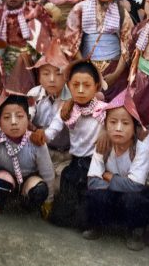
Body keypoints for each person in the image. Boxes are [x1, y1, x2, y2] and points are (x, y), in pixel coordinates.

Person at [82, 87, 149, 248]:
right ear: (106, 125)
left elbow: (135, 185)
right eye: (112, 122)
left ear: (134, 128)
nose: (118, 128)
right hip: (113, 195)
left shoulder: (140, 149)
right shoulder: (103, 145)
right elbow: (92, 181)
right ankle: (98, 225)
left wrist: (108, 175)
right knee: (96, 195)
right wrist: (119, 183)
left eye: (125, 123)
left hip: (133, 197)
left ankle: (135, 231)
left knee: (134, 198)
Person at [39, 61, 105, 230]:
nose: (81, 90)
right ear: (69, 85)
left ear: (96, 86)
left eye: (87, 85)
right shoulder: (67, 109)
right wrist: (42, 135)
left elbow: (115, 125)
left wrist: (107, 132)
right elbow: (52, 130)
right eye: (76, 85)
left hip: (96, 164)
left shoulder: (103, 110)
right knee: (60, 214)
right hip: (75, 162)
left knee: (87, 207)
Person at [0, 92, 54, 220]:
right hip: (5, 177)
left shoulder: (36, 141)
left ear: (28, 118)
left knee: (40, 190)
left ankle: (26, 205)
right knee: (1, 182)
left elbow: (47, 172)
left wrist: (49, 200)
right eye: (6, 117)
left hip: (28, 180)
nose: (13, 122)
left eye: (19, 116)